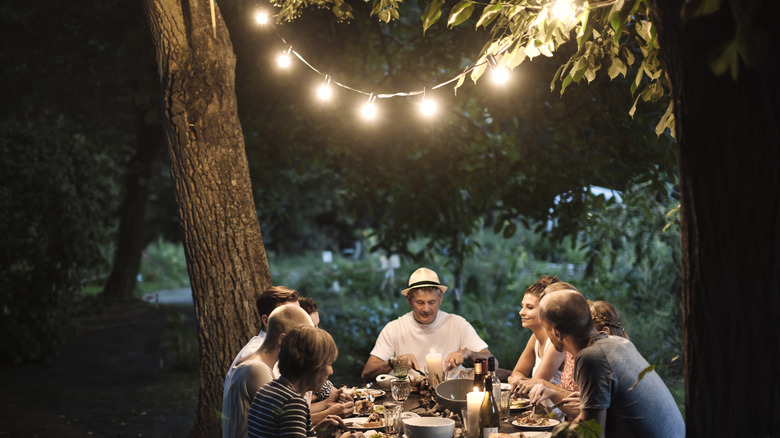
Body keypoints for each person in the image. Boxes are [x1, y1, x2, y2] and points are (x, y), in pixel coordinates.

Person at [534, 289, 684, 437]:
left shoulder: (592, 358)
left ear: (556, 333)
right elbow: (589, 419)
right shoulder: (618, 343)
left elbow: (592, 434)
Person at [361, 267, 493, 382]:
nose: (426, 309)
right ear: (409, 301)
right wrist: (393, 362)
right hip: (410, 395)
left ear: (440, 299)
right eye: (420, 302)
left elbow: (494, 364)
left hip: (452, 392)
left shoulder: (457, 324)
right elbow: (367, 374)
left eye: (432, 302)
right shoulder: (394, 328)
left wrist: (467, 353)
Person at [247, 326, 362, 438]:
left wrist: (317, 431)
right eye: (329, 364)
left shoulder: (265, 391)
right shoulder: (292, 403)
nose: (331, 371)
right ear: (312, 367)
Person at [222, 304, 314, 438]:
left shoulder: (255, 363)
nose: (306, 347)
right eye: (303, 340)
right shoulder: (256, 369)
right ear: (282, 340)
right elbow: (287, 422)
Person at [225, 286, 300, 386]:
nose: (300, 321)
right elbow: (276, 400)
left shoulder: (282, 349)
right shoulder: (255, 358)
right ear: (266, 321)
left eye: (300, 314)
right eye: (289, 315)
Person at [508, 275, 567, 392]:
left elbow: (533, 385)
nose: (521, 312)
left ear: (546, 310)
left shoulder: (556, 342)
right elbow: (517, 372)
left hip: (555, 410)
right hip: (540, 408)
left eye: (529, 307)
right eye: (522, 306)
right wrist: (518, 379)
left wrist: (517, 381)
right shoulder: (534, 338)